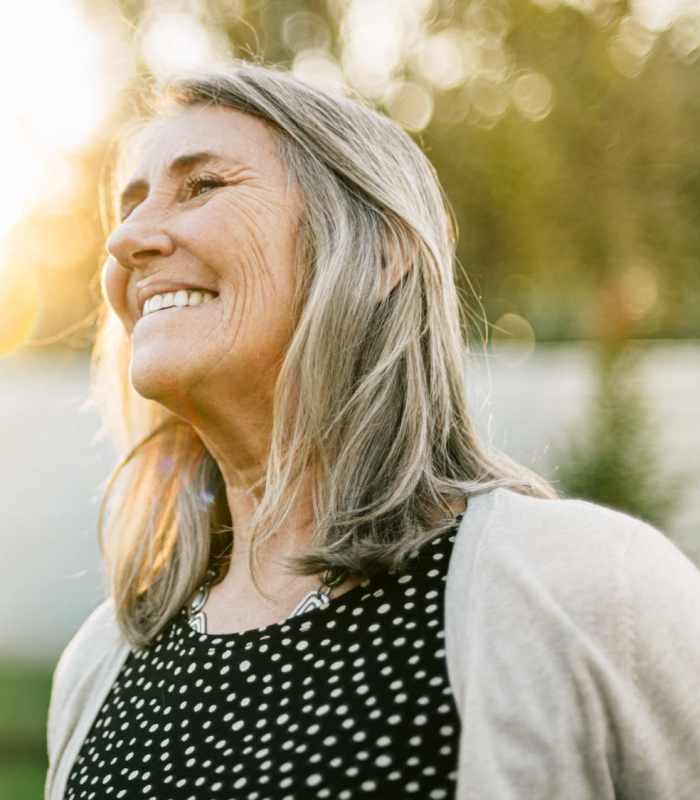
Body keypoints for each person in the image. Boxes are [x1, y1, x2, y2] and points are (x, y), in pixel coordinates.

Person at [45, 61, 700, 800]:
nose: (126, 239)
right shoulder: (101, 662)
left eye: (202, 186)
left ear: (380, 249)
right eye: (129, 205)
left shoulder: (587, 590)